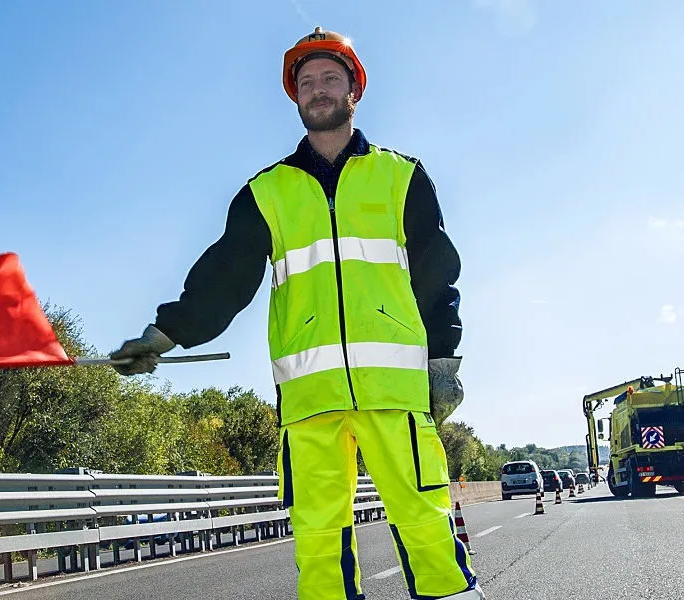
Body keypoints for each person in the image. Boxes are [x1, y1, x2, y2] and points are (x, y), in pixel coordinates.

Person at [110, 27, 478, 600]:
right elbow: (223, 278)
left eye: (330, 78)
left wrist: (443, 361)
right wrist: (161, 336)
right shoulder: (267, 192)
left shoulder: (401, 177)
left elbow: (436, 276)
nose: (318, 89)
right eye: (306, 82)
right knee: (319, 546)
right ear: (295, 97)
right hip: (310, 400)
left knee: (427, 530)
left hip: (396, 393)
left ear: (354, 88)